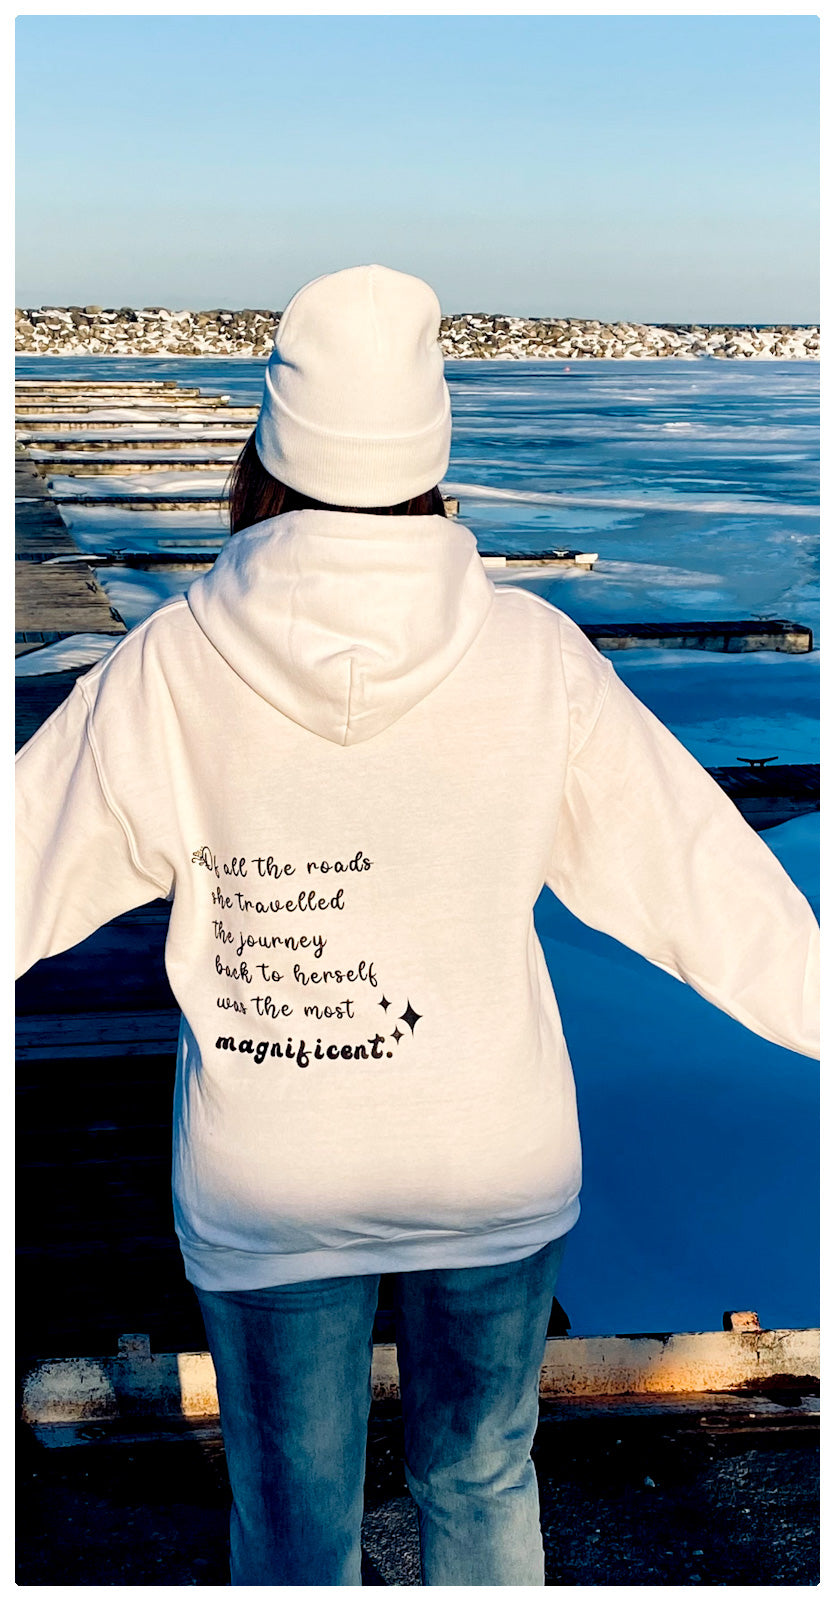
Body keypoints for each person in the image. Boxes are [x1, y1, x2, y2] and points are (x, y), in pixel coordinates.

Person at [16, 264, 819, 1587]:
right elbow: (705, 890)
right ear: (426, 458)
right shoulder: (533, 658)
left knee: (291, 1521)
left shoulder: (172, 663)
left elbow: (21, 871)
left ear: (270, 456)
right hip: (489, 1167)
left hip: (271, 1179)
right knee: (483, 1478)